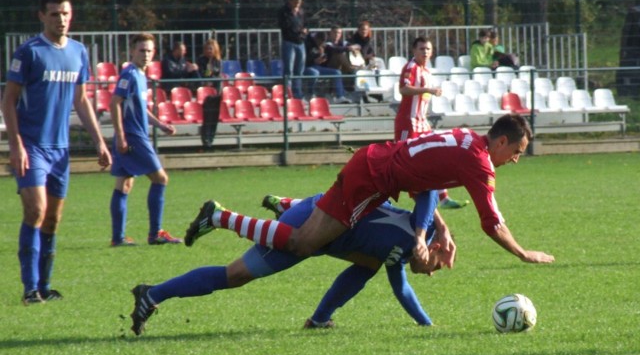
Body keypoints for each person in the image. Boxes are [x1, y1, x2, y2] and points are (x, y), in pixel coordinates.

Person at [186, 114, 555, 271]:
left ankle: (276, 207)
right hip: (371, 181)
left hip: (373, 166)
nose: (517, 160)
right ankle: (219, 217)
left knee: (322, 238)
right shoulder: (479, 164)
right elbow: (491, 222)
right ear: (502, 141)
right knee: (303, 244)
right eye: (517, 152)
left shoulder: (464, 139)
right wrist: (523, 253)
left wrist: (436, 229)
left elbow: (421, 183)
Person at [129, 190, 447, 335]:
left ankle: (320, 319)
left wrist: (427, 325)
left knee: (366, 267)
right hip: (313, 223)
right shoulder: (422, 228)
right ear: (432, 245)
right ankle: (154, 293)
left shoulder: (400, 256)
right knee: (235, 275)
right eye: (438, 263)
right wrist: (438, 229)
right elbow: (428, 191)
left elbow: (402, 291)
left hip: (320, 226)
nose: (432, 272)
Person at [1, 0, 112, 305]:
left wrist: (99, 141)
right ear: (41, 16)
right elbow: (8, 100)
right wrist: (15, 145)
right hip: (32, 146)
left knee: (53, 219)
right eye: (54, 14)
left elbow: (82, 99)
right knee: (36, 210)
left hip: (60, 150)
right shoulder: (29, 52)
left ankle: (45, 286)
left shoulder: (78, 51)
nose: (61, 19)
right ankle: (29, 289)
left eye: (65, 13)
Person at [109, 33, 182, 247]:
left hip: (135, 134)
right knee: (160, 179)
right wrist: (121, 136)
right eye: (142, 50)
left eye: (149, 50)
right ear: (132, 51)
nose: (146, 54)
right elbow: (114, 103)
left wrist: (160, 124)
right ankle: (155, 233)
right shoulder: (129, 74)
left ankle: (118, 238)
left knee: (124, 183)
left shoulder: (141, 76)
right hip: (133, 137)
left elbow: (141, 109)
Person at [396, 36, 468, 210]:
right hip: (408, 123)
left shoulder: (427, 72)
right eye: (421, 49)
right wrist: (428, 89)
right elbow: (403, 89)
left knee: (435, 157)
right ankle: (391, 194)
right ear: (414, 51)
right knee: (401, 160)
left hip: (422, 123)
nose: (425, 52)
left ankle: (443, 198)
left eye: (428, 49)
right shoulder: (411, 67)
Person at [303, 31, 351, 104]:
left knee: (336, 72)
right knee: (314, 73)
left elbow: (334, 49)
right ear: (316, 39)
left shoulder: (324, 45)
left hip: (318, 67)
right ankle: (311, 94)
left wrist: (322, 56)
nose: (321, 44)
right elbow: (303, 60)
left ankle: (340, 96)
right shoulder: (307, 43)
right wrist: (313, 61)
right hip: (307, 67)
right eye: (320, 42)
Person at [277, 0, 307, 99]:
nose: (297, 4)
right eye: (295, 1)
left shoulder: (301, 12)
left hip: (300, 43)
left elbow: (305, 24)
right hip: (289, 42)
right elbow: (285, 26)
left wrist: (304, 31)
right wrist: (298, 31)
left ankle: (297, 93)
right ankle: (287, 93)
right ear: (290, 1)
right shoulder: (284, 12)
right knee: (288, 69)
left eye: (299, 2)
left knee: (299, 69)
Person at [325, 25, 360, 93]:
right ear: (331, 33)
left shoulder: (343, 42)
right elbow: (334, 49)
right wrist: (348, 48)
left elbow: (358, 46)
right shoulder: (327, 43)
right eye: (335, 32)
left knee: (353, 53)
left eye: (339, 33)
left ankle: (355, 69)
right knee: (339, 55)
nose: (337, 35)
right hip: (329, 66)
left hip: (341, 67)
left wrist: (353, 47)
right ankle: (352, 70)